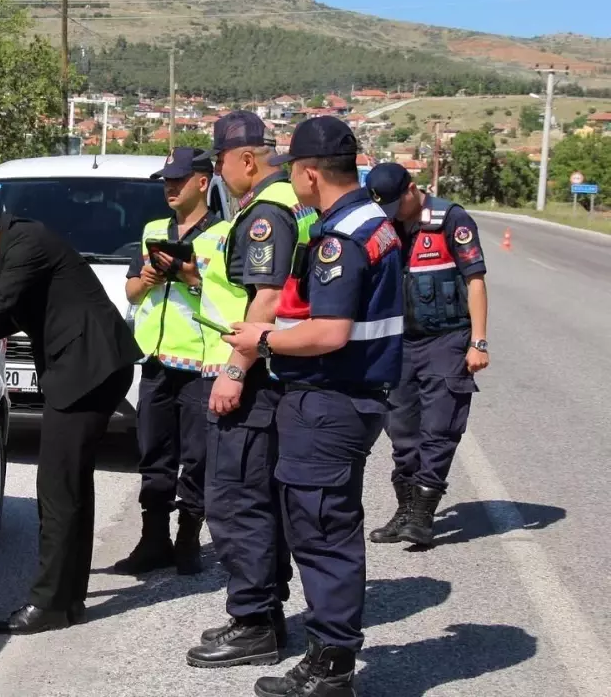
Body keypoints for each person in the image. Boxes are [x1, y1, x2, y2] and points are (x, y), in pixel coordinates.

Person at [224, 116, 404, 697]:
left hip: (330, 401)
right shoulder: (373, 221)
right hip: (353, 399)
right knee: (328, 526)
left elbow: (328, 333)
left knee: (322, 533)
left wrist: (262, 341)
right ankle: (332, 658)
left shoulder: (339, 236)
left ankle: (330, 668)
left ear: (307, 173)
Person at [0, 192, 142, 635]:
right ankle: (67, 599)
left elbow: (0, 306)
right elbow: (14, 313)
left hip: (88, 370)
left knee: (58, 490)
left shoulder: (25, 246)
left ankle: (51, 604)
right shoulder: (18, 243)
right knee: (70, 487)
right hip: (90, 367)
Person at [186, 112, 317, 669]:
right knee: (255, 498)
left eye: (218, 161)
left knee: (237, 499)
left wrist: (234, 372)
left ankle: (254, 620)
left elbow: (264, 299)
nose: (217, 172)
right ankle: (261, 613)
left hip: (258, 375)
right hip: (280, 372)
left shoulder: (266, 211)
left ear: (245, 159)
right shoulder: (294, 203)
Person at [364, 162, 489, 547]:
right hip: (399, 343)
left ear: (412, 189)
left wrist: (478, 342)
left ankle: (422, 515)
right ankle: (404, 510)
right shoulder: (385, 226)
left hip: (446, 340)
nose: (393, 215)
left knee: (440, 427)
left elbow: (475, 281)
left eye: (396, 206)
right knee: (401, 431)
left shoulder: (452, 220)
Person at [116, 147, 218, 577]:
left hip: (199, 363)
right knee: (154, 455)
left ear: (202, 181)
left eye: (178, 179)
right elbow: (131, 292)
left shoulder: (223, 233)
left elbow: (231, 296)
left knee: (197, 457)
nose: (170, 187)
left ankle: (188, 539)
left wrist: (191, 276)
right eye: (166, 181)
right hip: (155, 359)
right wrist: (148, 278)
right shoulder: (153, 229)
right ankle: (153, 539)